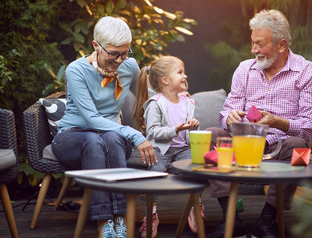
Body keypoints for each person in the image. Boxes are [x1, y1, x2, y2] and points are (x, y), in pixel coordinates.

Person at [206, 9, 312, 238]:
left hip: (281, 144)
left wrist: (278, 122)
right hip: (243, 142)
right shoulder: (245, 69)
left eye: (260, 44)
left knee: (300, 145)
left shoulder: (310, 73)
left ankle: (268, 218)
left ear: (281, 45)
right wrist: (229, 117)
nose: (254, 50)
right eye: (252, 43)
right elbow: (226, 112)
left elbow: (311, 128)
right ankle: (231, 217)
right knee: (212, 134)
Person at [51, 16, 157, 238]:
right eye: (113, 53)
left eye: (125, 52)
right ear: (96, 46)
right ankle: (104, 222)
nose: (120, 60)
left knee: (107, 139)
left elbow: (147, 96)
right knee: (93, 139)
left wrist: (171, 100)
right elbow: (90, 119)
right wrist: (134, 134)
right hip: (73, 136)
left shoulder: (129, 66)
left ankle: (119, 219)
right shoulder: (76, 70)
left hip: (111, 138)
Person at [134, 56, 204, 237]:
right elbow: (152, 132)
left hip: (182, 149)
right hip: (161, 149)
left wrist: (193, 126)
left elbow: (188, 134)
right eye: (180, 72)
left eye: (184, 72)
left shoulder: (187, 102)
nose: (185, 76)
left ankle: (195, 207)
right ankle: (152, 213)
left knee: (199, 167)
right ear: (165, 80)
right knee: (155, 172)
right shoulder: (156, 103)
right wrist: (175, 129)